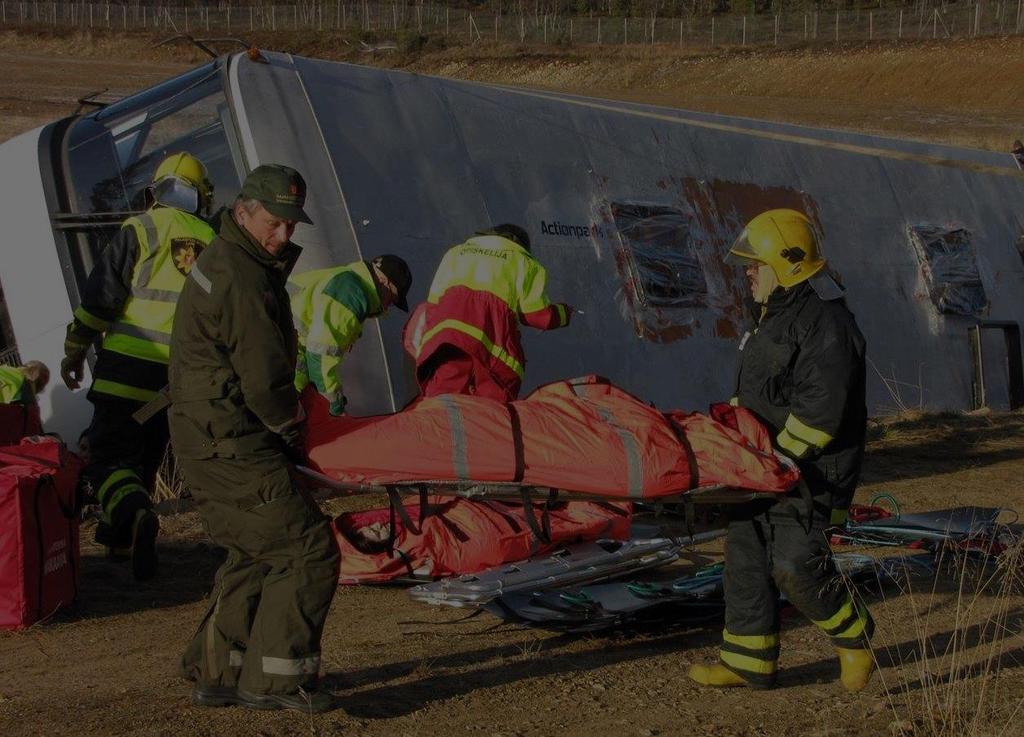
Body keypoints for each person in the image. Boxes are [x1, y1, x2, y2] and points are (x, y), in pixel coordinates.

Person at [168, 164, 339, 713]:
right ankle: (275, 681)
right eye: (273, 222)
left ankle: (220, 670)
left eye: (291, 225)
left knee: (255, 548)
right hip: (230, 439)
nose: (283, 235)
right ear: (243, 211)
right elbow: (264, 381)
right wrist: (292, 431)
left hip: (207, 436)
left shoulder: (230, 259)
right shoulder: (243, 277)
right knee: (307, 548)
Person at [688, 208, 874, 692]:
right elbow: (758, 390)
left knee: (796, 567)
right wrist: (735, 434)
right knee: (745, 561)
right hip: (763, 466)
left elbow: (820, 412)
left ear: (785, 263)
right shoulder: (774, 312)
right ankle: (747, 661)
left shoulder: (826, 323)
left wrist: (776, 460)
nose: (747, 273)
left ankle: (855, 642)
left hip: (810, 473)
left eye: (755, 265)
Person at [59, 152, 216, 580]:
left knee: (108, 459)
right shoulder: (214, 242)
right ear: (202, 196)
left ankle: (135, 513)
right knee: (144, 456)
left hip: (126, 375)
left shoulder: (140, 228)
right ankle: (118, 540)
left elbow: (100, 299)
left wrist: (75, 350)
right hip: (173, 383)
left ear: (155, 191)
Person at [408, 224, 571, 403]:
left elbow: (433, 302)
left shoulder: (455, 253)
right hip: (488, 350)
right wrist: (563, 314)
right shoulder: (523, 261)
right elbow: (537, 315)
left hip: (446, 342)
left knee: (442, 404)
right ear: (518, 243)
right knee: (489, 415)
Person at [290, 255, 412, 415]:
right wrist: (335, 406)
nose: (389, 306)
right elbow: (320, 357)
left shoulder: (348, 279)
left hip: (282, 340)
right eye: (393, 298)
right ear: (383, 280)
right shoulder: (351, 295)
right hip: (281, 345)